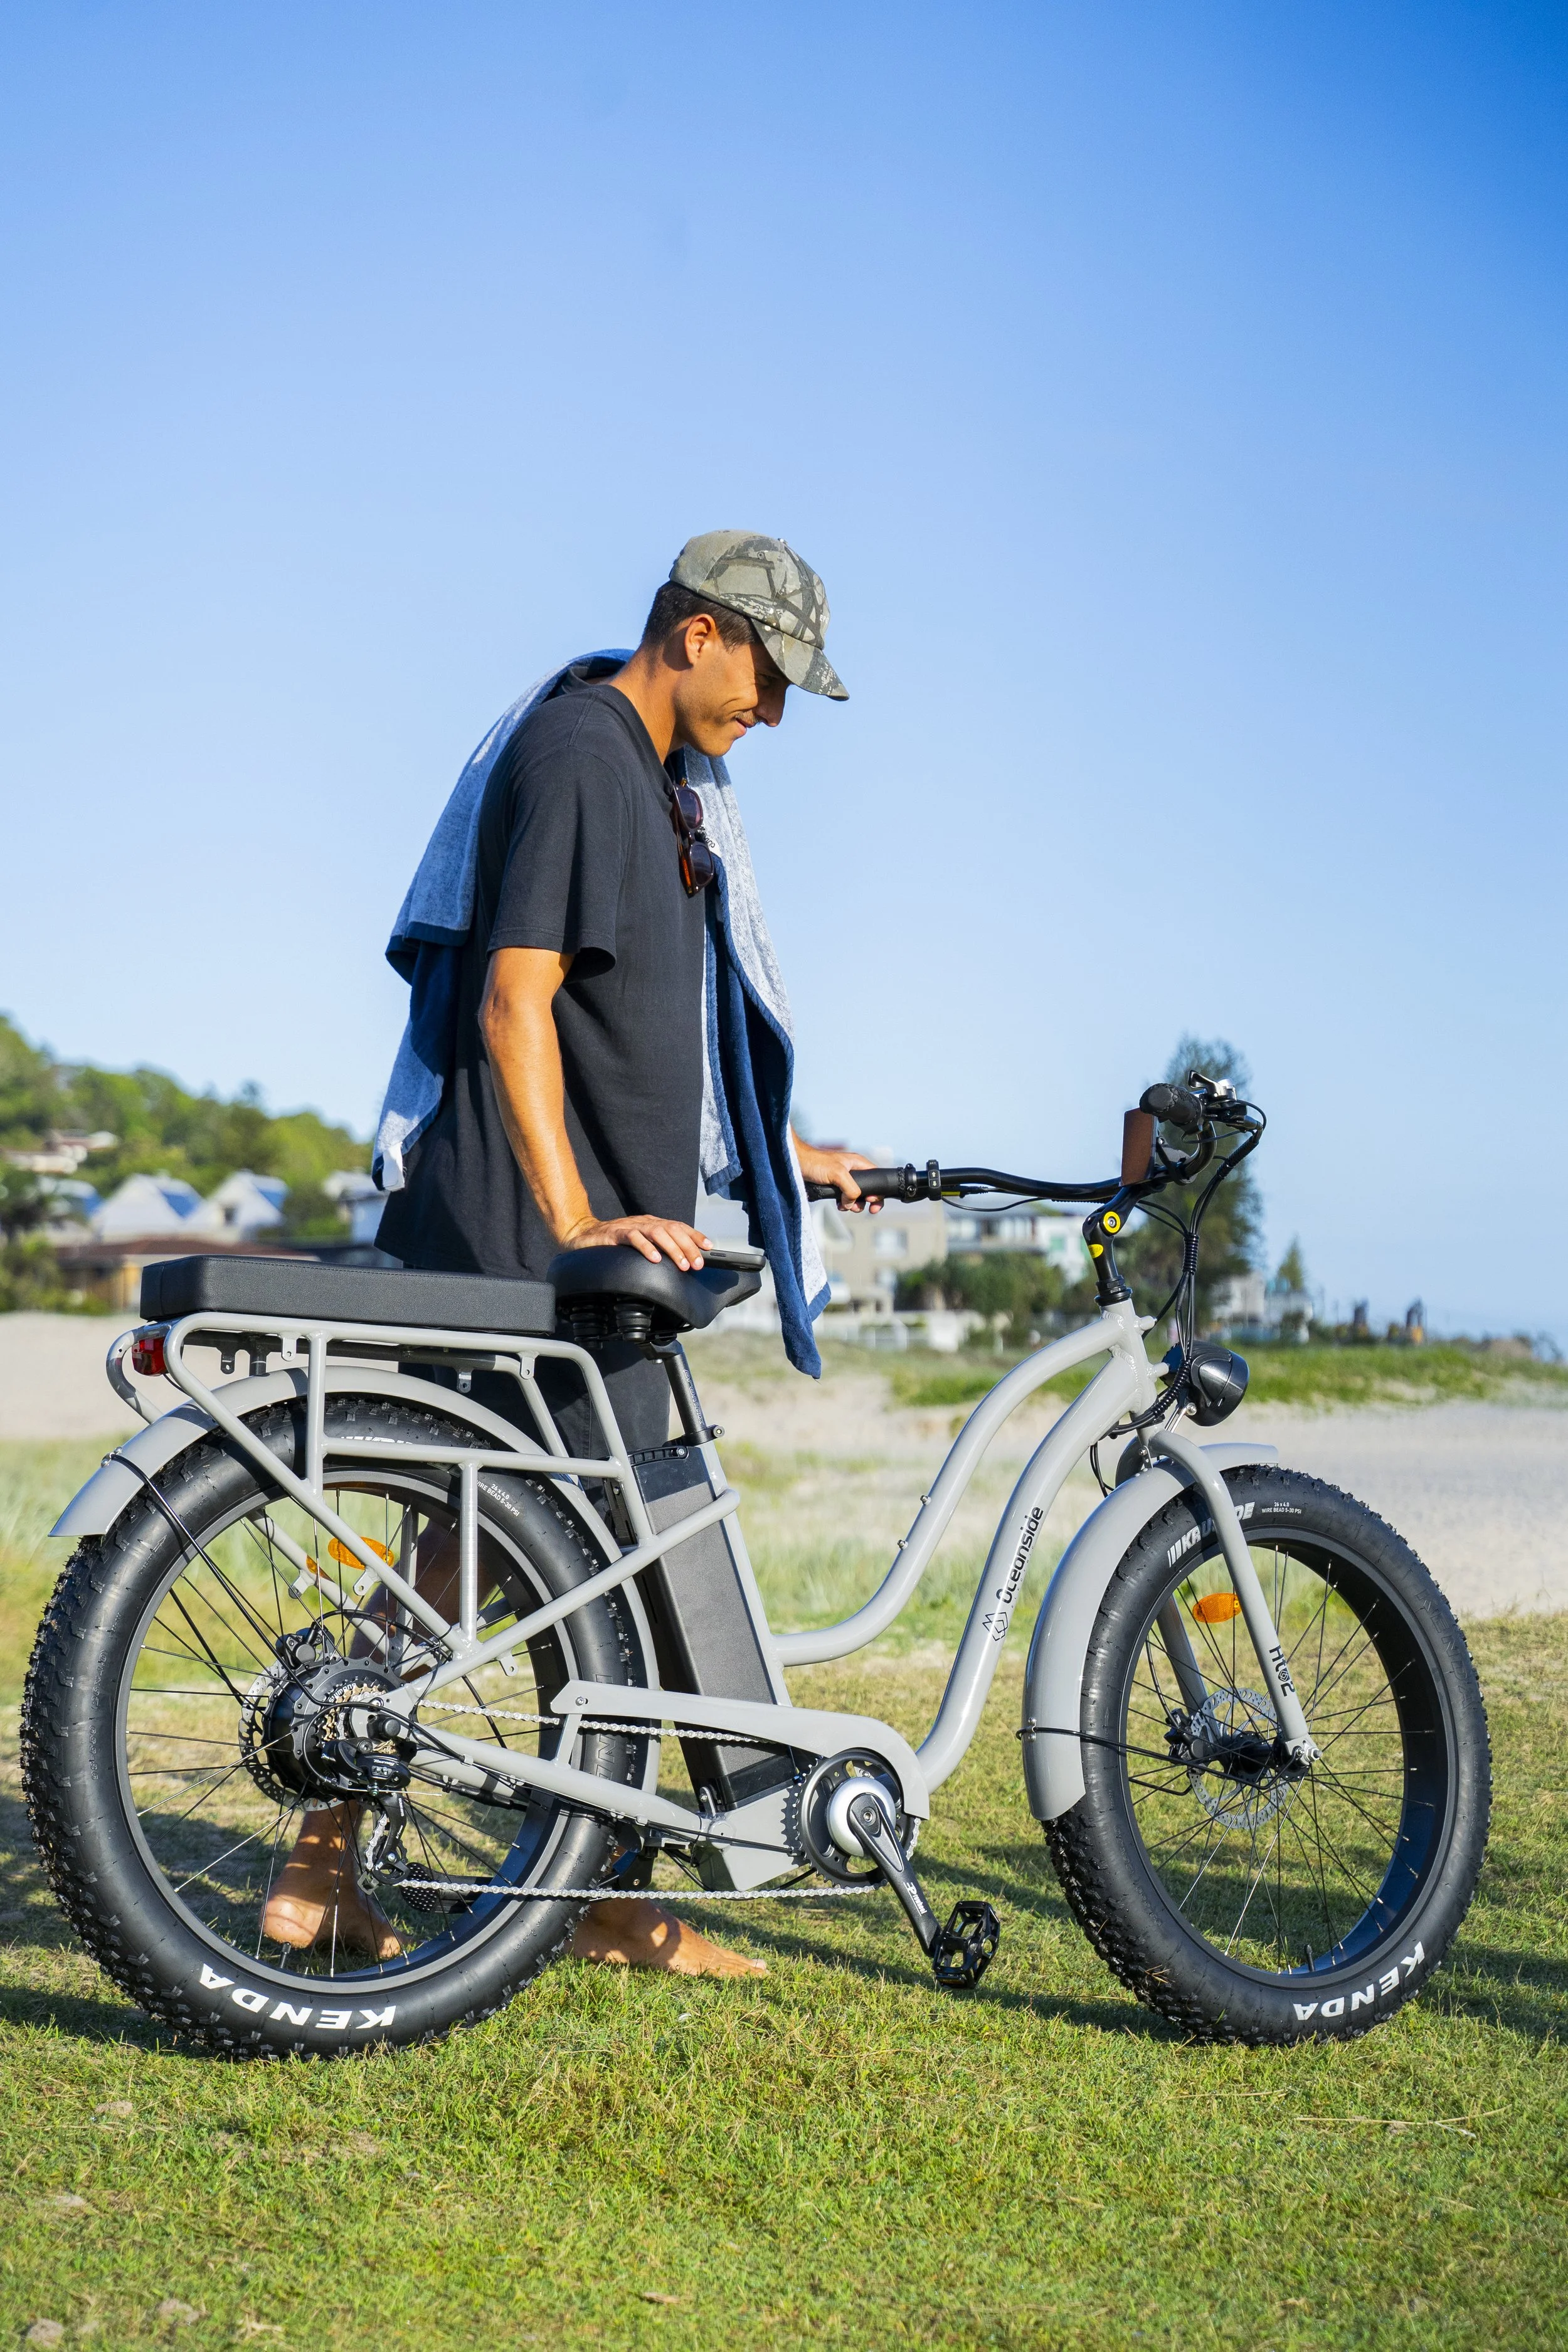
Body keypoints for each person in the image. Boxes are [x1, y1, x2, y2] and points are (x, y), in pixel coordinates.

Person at [262, 531, 874, 1977]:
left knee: (537, 1561)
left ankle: (532, 1884)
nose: (771, 717)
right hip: (526, 1236)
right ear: (700, 630)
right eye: (769, 678)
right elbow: (512, 1004)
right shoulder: (579, 756)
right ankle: (497, 1882)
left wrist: (784, 1155)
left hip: (579, 1238)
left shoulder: (657, 789)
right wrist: (575, 1217)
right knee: (509, 1552)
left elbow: (636, 1050)